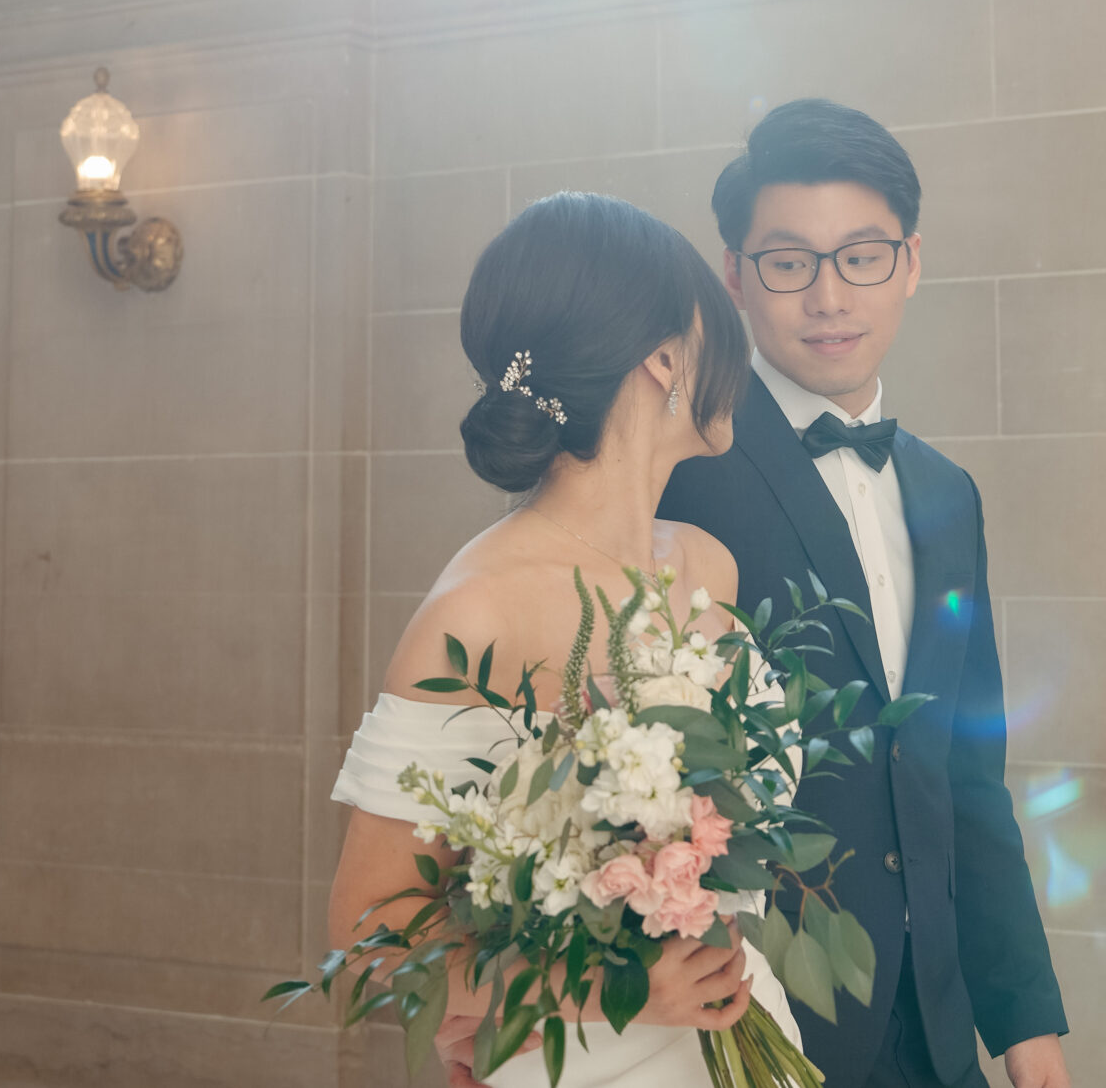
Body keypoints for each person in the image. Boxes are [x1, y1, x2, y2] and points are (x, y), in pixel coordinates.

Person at [325, 191, 796, 1087]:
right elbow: (367, 946)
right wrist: (611, 982)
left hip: (740, 1025)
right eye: (717, 328)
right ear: (665, 358)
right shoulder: (481, 613)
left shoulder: (709, 568)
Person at [659, 100, 1072, 1088]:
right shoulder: (679, 473)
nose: (829, 296)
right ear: (736, 278)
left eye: (861, 256)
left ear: (911, 264)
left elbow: (967, 784)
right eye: (790, 261)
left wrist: (1028, 1033)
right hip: (748, 1018)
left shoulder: (946, 496)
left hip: (934, 1030)